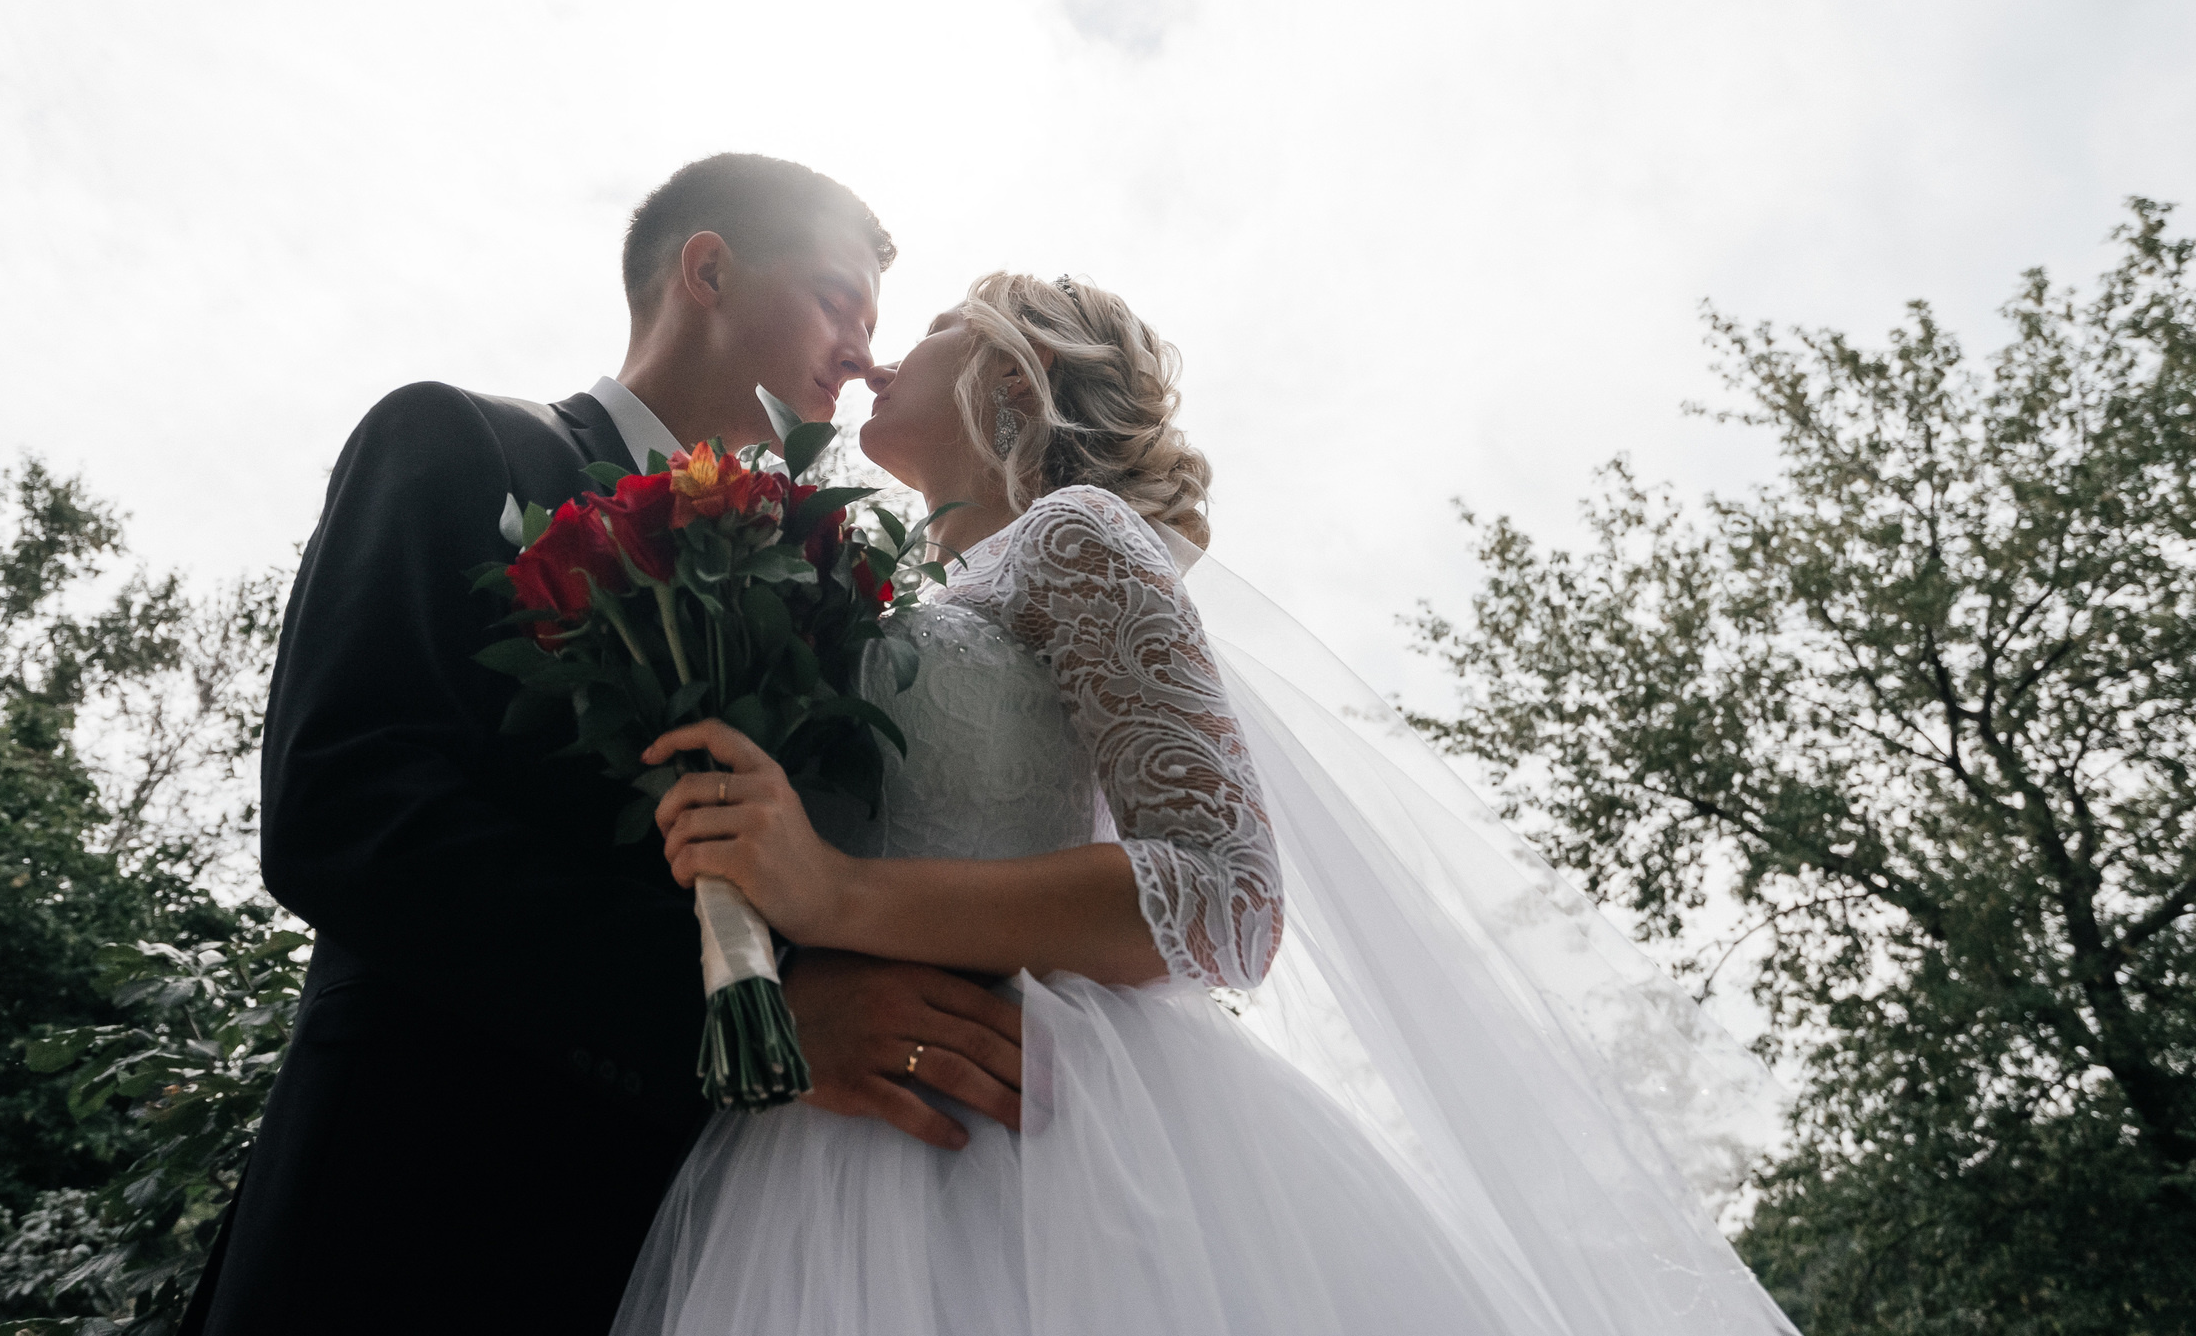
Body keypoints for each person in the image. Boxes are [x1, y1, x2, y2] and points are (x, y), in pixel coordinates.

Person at [610, 273, 1802, 1334]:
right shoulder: (860, 597)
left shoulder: (1074, 539)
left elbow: (1225, 896)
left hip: (1042, 1150)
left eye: (929, 327)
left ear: (1008, 375)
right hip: (821, 1138)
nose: (880, 353)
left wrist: (839, 892)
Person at [181, 155, 1029, 1335]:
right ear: (708, 269)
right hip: (405, 1228)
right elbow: (346, 805)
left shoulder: (837, 605)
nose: (864, 355)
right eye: (840, 301)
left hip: (715, 1253)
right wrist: (755, 1005)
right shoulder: (459, 444)